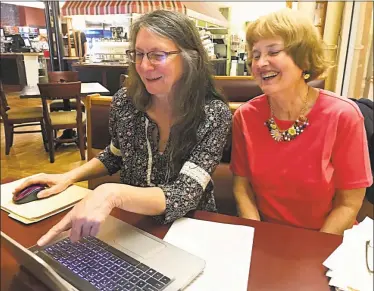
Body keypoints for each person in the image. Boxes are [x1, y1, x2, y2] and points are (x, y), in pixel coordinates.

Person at [14, 10, 231, 246]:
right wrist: (68, 177)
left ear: (191, 58)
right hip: (130, 224)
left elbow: (184, 193)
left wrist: (112, 194)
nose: (144, 66)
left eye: (157, 55)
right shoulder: (125, 102)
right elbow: (115, 154)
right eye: (138, 54)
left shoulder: (213, 114)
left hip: (190, 226)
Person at [230, 9, 372, 235]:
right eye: (255, 55)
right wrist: (256, 235)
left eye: (273, 51)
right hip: (267, 236)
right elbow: (242, 187)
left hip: (325, 239)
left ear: (303, 58)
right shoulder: (245, 117)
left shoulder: (343, 115)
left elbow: (349, 203)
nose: (260, 63)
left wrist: (314, 249)